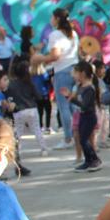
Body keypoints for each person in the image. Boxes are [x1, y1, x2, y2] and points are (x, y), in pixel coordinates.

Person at [32, 8, 79, 150]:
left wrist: (39, 58)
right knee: (73, 105)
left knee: (63, 105)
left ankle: (68, 138)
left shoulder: (55, 35)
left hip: (62, 71)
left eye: (52, 17)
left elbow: (55, 56)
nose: (51, 19)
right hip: (74, 69)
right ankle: (77, 134)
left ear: (57, 18)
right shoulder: (73, 34)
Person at [61, 61, 103, 172]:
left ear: (83, 73)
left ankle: (94, 160)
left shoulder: (89, 88)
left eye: (75, 72)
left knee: (84, 140)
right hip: (83, 116)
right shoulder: (80, 86)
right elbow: (80, 104)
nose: (73, 75)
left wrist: (71, 98)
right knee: (82, 139)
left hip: (89, 117)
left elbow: (84, 105)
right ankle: (88, 161)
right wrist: (68, 97)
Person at [6, 60, 49, 158]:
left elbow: (8, 96)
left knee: (18, 132)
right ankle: (44, 149)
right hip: (32, 108)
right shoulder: (30, 83)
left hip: (19, 110)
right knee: (37, 130)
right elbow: (39, 96)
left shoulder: (12, 84)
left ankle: (16, 151)